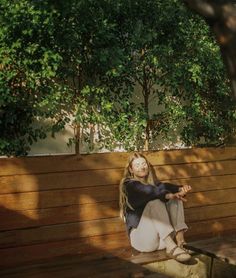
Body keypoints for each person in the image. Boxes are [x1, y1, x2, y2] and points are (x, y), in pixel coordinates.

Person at [119, 152, 192, 263]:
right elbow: (148, 191)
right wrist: (168, 195)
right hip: (143, 241)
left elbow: (165, 187)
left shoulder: (154, 185)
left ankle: (181, 242)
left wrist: (180, 189)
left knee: (175, 200)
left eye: (143, 164)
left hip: (160, 240)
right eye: (137, 165)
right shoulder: (129, 185)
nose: (141, 167)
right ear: (131, 169)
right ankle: (171, 246)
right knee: (155, 201)